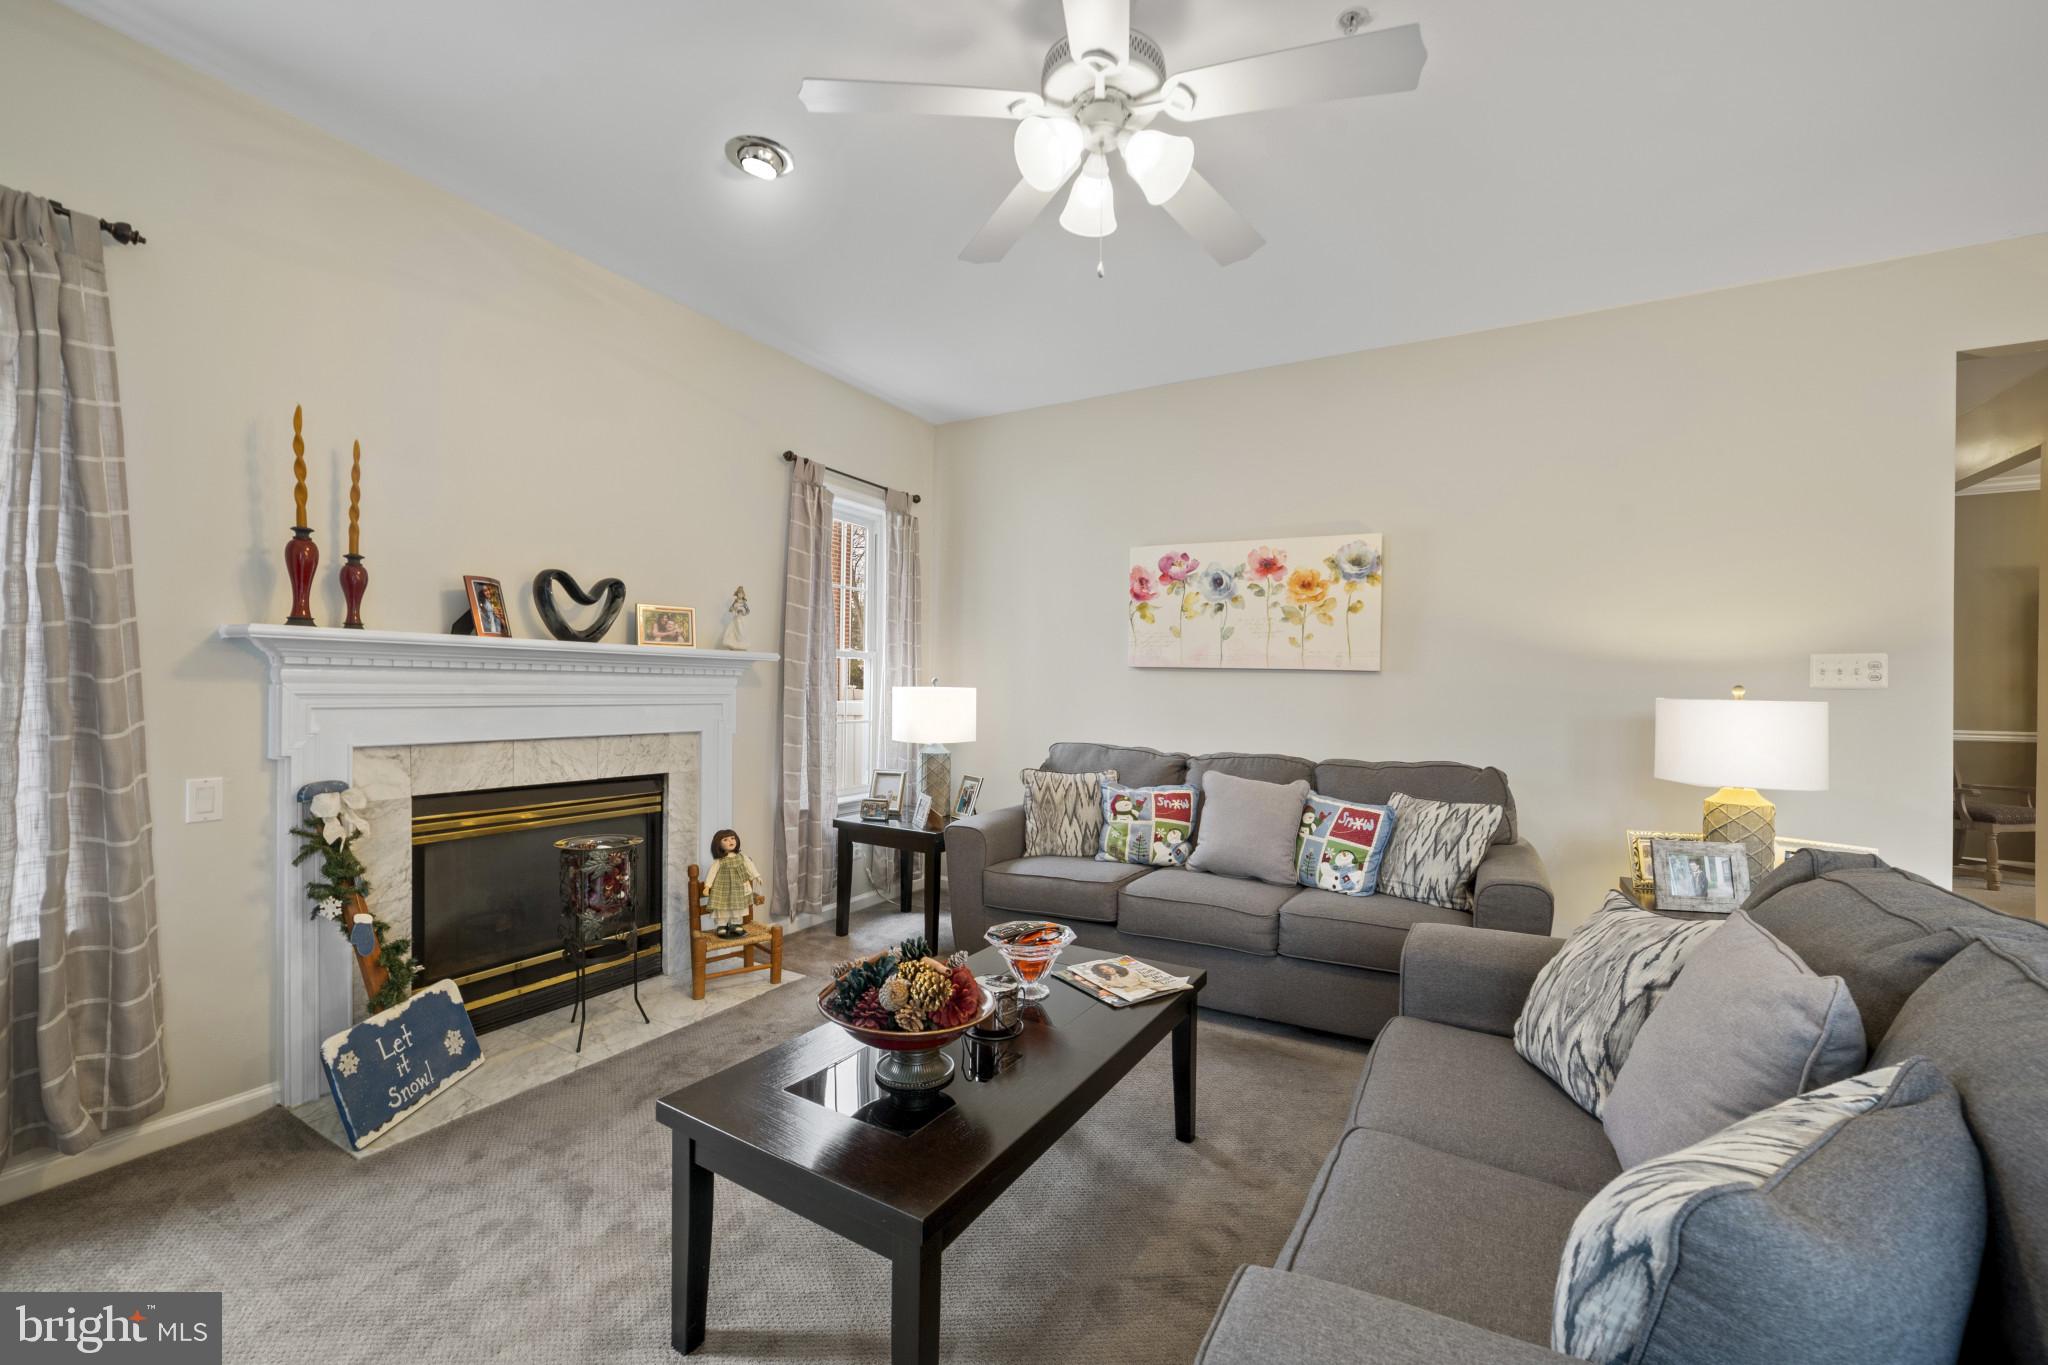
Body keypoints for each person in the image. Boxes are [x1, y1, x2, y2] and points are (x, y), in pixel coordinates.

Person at [700, 828, 762, 937]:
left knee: (738, 906)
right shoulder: (720, 860)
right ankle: (721, 925)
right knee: (722, 907)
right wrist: (707, 886)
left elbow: (750, 866)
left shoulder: (742, 857)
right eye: (725, 840)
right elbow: (712, 872)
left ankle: (736, 924)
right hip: (722, 888)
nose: (730, 841)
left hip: (739, 887)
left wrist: (757, 876)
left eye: (732, 838)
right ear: (718, 844)